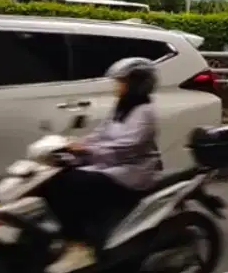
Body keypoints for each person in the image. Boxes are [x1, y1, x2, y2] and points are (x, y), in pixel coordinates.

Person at [43, 57, 163, 273]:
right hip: (111, 166)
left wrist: (87, 151)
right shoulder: (122, 108)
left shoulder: (145, 112)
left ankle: (80, 247)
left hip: (132, 172)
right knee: (55, 177)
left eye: (122, 82)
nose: (117, 86)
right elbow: (101, 133)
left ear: (136, 84)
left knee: (72, 184)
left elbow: (127, 146)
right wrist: (75, 144)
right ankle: (72, 237)